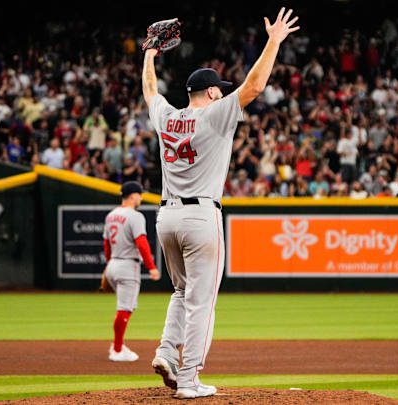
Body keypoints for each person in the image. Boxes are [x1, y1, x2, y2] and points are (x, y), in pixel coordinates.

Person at [142, 8, 299, 399]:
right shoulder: (215, 115)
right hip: (200, 217)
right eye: (220, 89)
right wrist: (274, 41)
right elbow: (255, 86)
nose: (224, 92)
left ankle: (166, 353)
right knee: (201, 303)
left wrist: (148, 53)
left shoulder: (167, 116)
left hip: (166, 217)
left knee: (181, 292)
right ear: (212, 92)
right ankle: (189, 379)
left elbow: (150, 91)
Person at [102, 181, 161, 362]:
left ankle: (118, 344)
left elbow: (106, 245)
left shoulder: (111, 215)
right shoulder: (135, 216)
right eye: (140, 195)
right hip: (128, 266)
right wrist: (151, 267)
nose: (141, 198)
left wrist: (108, 266)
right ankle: (117, 349)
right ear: (134, 195)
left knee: (126, 307)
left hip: (113, 264)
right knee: (125, 309)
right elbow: (141, 242)